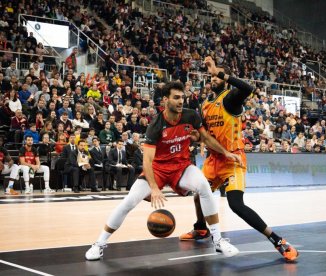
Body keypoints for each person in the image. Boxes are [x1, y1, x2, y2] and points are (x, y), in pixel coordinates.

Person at [85, 81, 241, 261]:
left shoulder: (191, 116)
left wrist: (226, 152)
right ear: (165, 100)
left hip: (181, 167)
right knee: (129, 200)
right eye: (176, 98)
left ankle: (218, 240)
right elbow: (147, 161)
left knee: (203, 186)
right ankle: (99, 243)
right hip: (157, 169)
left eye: (182, 97)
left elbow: (205, 138)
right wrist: (154, 188)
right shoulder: (156, 125)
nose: (181, 101)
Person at [180, 57, 299, 262]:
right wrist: (197, 140)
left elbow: (248, 88)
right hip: (213, 158)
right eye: (211, 76)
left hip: (233, 158)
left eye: (217, 76)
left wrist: (221, 72)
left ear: (225, 79)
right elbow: (206, 132)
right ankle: (200, 228)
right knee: (198, 195)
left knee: (236, 205)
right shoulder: (206, 104)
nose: (213, 78)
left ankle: (278, 240)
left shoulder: (231, 98)